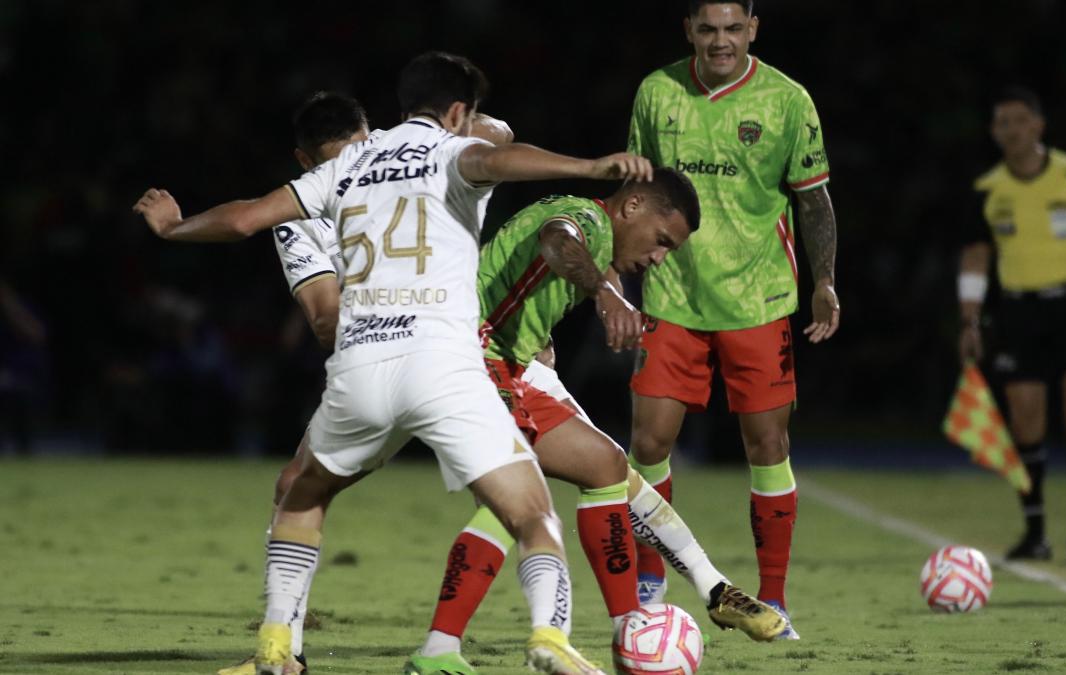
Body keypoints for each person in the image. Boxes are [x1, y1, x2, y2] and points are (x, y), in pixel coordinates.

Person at [135, 51, 653, 675]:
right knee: (531, 511)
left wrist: (174, 228)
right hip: (444, 366)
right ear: (458, 111)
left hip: (361, 368)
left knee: (300, 494)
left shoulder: (344, 166)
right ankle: (550, 637)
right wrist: (589, 165)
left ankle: (274, 652)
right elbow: (497, 156)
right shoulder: (449, 151)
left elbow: (244, 218)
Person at [407, 172, 788, 673]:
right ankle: (446, 650)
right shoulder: (586, 220)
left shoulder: (600, 248)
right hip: (467, 358)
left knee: (606, 466)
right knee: (515, 504)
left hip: (508, 365)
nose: (659, 258)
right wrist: (606, 296)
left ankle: (636, 622)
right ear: (631, 207)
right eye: (661, 241)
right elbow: (555, 240)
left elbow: (526, 276)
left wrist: (542, 336)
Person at [624, 0, 840, 639]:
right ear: (689, 30)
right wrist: (618, 274)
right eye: (708, 30)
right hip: (672, 295)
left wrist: (823, 280)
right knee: (648, 444)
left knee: (767, 448)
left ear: (753, 29)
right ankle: (651, 588)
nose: (721, 42)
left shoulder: (786, 100)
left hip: (759, 299)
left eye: (733, 30)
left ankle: (774, 599)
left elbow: (814, 198)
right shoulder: (656, 92)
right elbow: (634, 193)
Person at [958, 86, 1066, 563]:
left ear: (1038, 125)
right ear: (994, 133)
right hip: (1018, 312)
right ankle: (1036, 533)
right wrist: (969, 320)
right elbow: (975, 257)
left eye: (1018, 121)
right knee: (1026, 419)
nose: (1010, 130)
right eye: (1001, 123)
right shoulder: (988, 189)